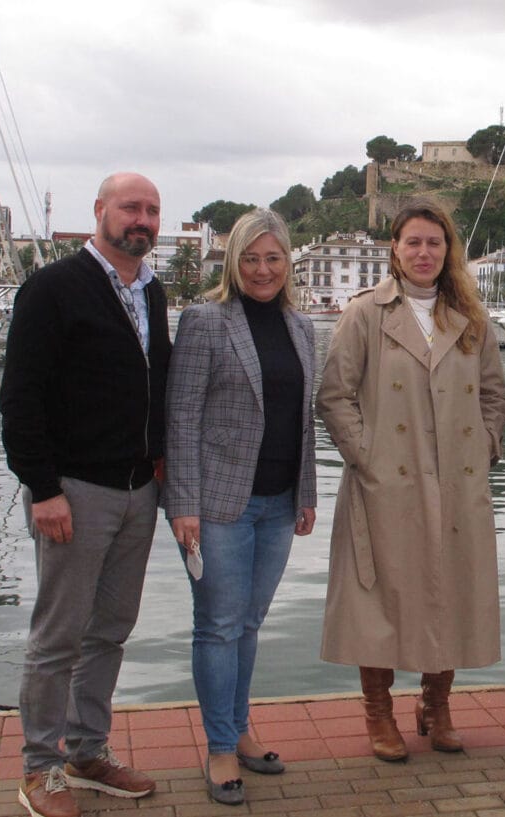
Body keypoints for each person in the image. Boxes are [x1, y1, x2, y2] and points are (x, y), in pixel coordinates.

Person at [0, 172, 170, 817]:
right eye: (131, 207)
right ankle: (40, 768)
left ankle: (87, 751)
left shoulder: (150, 293)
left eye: (153, 211)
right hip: (73, 490)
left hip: (137, 489)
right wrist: (43, 489)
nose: (143, 219)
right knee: (58, 636)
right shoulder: (53, 288)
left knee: (110, 631)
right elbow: (20, 397)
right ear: (99, 211)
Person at [317, 197, 505, 762]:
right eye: (413, 242)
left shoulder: (471, 318)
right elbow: (335, 394)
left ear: (449, 249)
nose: (424, 252)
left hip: (457, 480)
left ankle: (438, 704)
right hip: (387, 482)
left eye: (434, 242)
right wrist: (367, 456)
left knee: (449, 589)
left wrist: (486, 445)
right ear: (394, 250)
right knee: (374, 596)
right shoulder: (365, 314)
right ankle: (379, 712)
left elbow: (496, 395)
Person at [165, 209, 316, 805]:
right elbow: (181, 416)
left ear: (287, 263)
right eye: (251, 258)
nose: (262, 269)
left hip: (279, 501)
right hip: (220, 503)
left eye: (273, 258)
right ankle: (221, 747)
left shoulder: (300, 326)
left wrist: (305, 495)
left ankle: (242, 728)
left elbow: (301, 421)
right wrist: (183, 505)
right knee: (220, 625)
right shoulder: (205, 321)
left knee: (248, 625)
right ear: (233, 263)